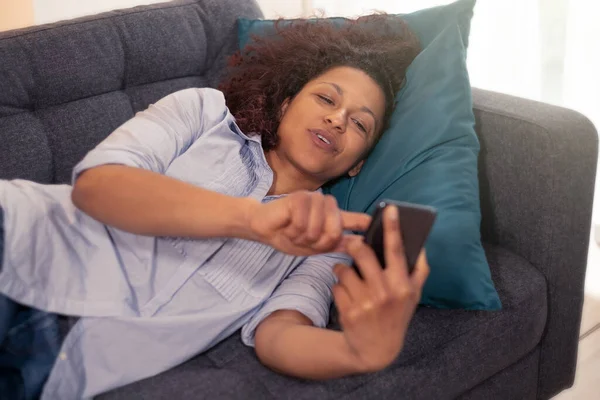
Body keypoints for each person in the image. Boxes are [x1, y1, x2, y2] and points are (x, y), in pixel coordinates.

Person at [0, 14, 425, 399]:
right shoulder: (202, 112)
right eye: (327, 99)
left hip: (58, 366)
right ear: (285, 103)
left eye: (359, 123)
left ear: (357, 164)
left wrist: (360, 351)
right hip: (21, 238)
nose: (338, 120)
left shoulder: (325, 241)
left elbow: (278, 335)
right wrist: (253, 220)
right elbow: (98, 185)